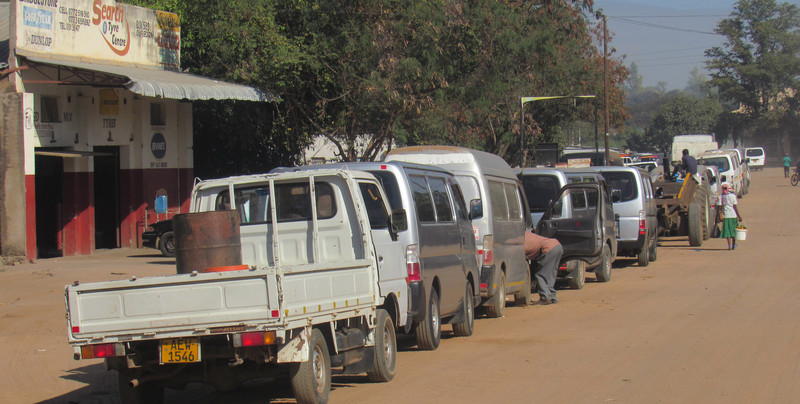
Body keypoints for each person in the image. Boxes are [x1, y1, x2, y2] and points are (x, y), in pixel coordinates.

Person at [524, 230, 563, 305]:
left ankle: (545, 298)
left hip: (547, 248)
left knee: (541, 275)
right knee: (551, 274)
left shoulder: (518, 242)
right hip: (557, 245)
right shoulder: (524, 233)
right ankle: (552, 296)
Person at [716, 183, 742, 250]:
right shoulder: (733, 196)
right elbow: (735, 207)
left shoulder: (720, 197)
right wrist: (739, 216)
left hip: (726, 216)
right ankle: (733, 245)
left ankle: (729, 245)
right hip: (733, 216)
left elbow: (719, 208)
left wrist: (718, 216)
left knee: (727, 232)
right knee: (733, 231)